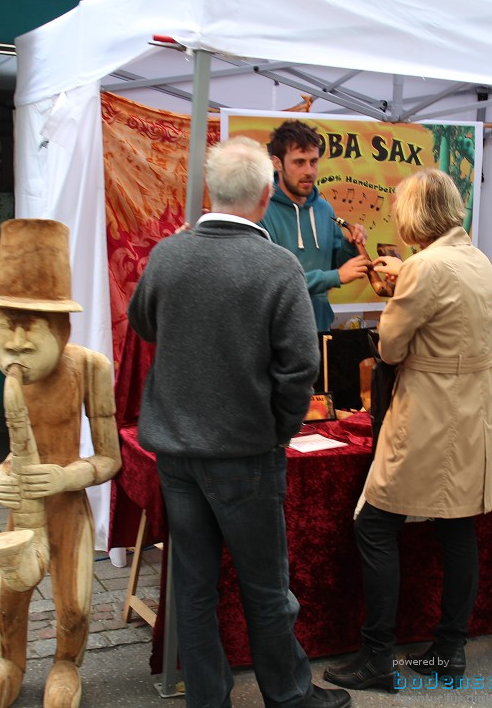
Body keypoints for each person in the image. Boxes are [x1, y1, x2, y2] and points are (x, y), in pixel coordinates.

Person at [128, 137, 351, 708]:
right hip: (245, 452)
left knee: (195, 586)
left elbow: (144, 324)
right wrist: (276, 429)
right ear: (263, 193)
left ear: (212, 192)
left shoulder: (169, 255)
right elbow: (300, 366)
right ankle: (289, 693)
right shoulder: (275, 266)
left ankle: (209, 698)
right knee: (264, 585)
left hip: (176, 450)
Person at [323, 169, 492, 691]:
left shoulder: (425, 266)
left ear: (415, 214)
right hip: (468, 411)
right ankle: (450, 651)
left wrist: (402, 282)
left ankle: (377, 658)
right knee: (457, 526)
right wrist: (405, 279)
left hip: (427, 411)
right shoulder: (477, 258)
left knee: (374, 525)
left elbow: (392, 348)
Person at [0, 219, 122, 708]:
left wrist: (66, 475)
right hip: (24, 514)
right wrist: (1, 478)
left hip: (67, 510)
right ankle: (6, 660)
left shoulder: (89, 367)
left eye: (29, 327)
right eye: (5, 325)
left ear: (61, 327)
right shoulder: (13, 372)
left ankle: (65, 662)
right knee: (8, 604)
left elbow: (109, 459)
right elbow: (12, 453)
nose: (14, 341)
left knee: (73, 607)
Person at [262, 119, 372, 331]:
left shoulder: (324, 208)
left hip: (320, 329)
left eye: (313, 161)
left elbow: (335, 266)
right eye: (299, 162)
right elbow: (274, 283)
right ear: (277, 163)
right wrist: (335, 277)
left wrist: (350, 246)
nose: (309, 171)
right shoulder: (263, 210)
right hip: (278, 333)